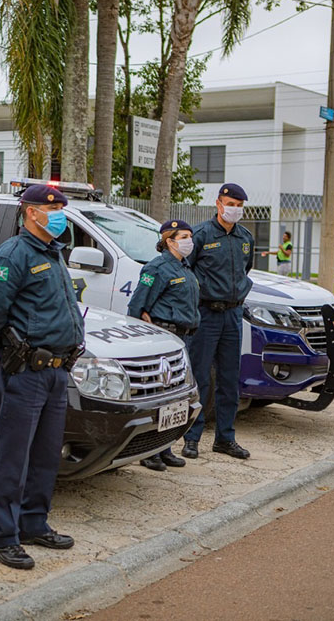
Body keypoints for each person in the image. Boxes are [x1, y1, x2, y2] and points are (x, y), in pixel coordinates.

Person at [0, 184, 85, 571]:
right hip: (26, 370)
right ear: (31, 213)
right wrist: (4, 352)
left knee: (45, 455)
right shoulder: (13, 255)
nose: (58, 214)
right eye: (51, 208)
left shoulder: (53, 253)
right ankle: (3, 536)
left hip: (58, 371)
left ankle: (33, 523)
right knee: (13, 456)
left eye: (61, 208)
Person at [181, 183, 255, 460]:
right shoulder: (200, 235)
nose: (234, 209)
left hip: (233, 316)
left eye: (239, 205)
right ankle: (192, 438)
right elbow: (186, 273)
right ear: (218, 203)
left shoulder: (245, 237)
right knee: (200, 378)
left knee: (229, 379)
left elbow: (245, 270)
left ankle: (225, 438)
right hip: (207, 315)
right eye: (230, 203)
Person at [127, 220, 200, 471]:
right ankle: (150, 452)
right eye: (184, 236)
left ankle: (164, 448)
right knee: (159, 399)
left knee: (175, 399)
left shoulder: (184, 267)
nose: (189, 240)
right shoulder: (157, 267)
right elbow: (137, 305)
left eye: (190, 235)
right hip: (163, 338)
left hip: (183, 338)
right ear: (170, 241)